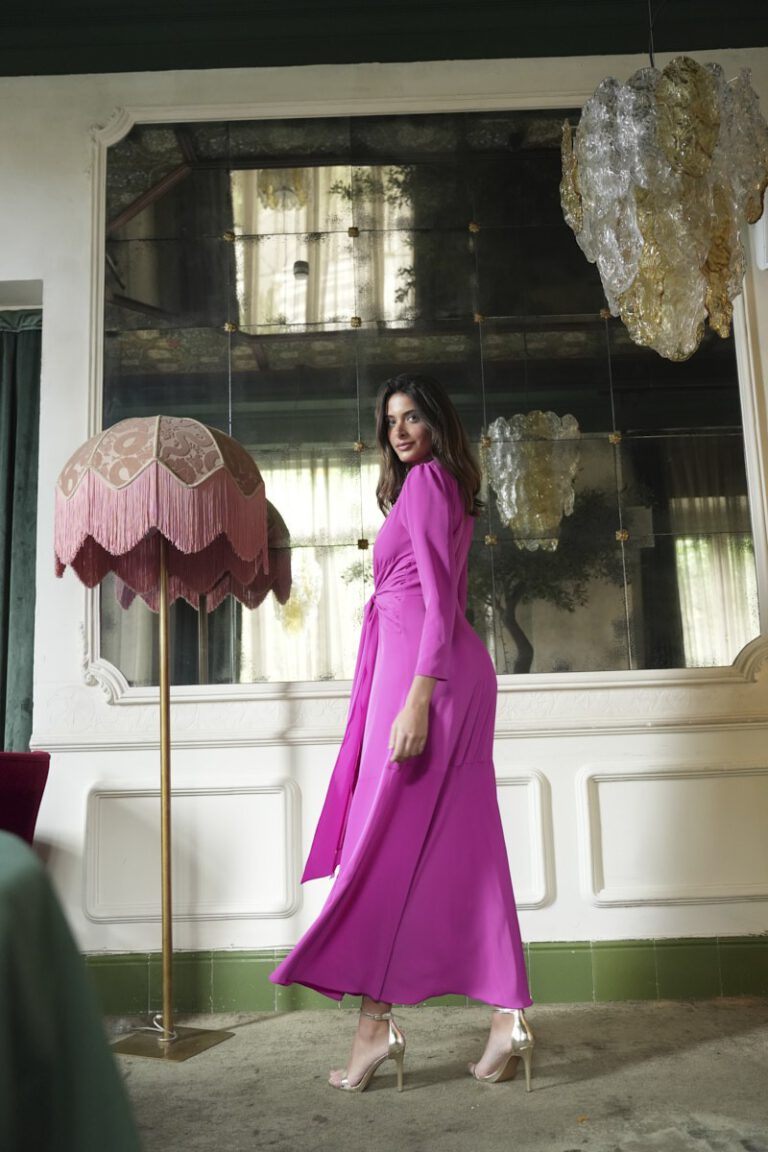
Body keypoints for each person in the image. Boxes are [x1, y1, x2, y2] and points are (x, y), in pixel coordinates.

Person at [270, 373, 533, 1092]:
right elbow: (450, 595)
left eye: (413, 417)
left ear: (437, 423)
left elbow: (442, 598)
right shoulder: (446, 487)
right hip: (438, 670)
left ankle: (374, 1025)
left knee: (380, 847)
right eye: (391, 422)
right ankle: (506, 1014)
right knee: (466, 848)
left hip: (425, 677)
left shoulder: (426, 483)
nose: (401, 431)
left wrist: (419, 698)